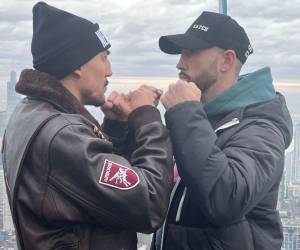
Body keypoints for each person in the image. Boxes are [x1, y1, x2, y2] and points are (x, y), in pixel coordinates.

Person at [1, 2, 174, 250]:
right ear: (77, 65)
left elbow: (86, 191)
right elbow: (149, 204)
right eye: (104, 58)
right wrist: (147, 116)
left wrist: (115, 128)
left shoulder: (30, 113)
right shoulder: (62, 135)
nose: (109, 71)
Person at [153, 11, 293, 250]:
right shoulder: (203, 120)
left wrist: (186, 112)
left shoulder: (261, 125)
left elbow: (226, 198)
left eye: (191, 52)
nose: (179, 63)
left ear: (227, 61)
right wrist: (130, 121)